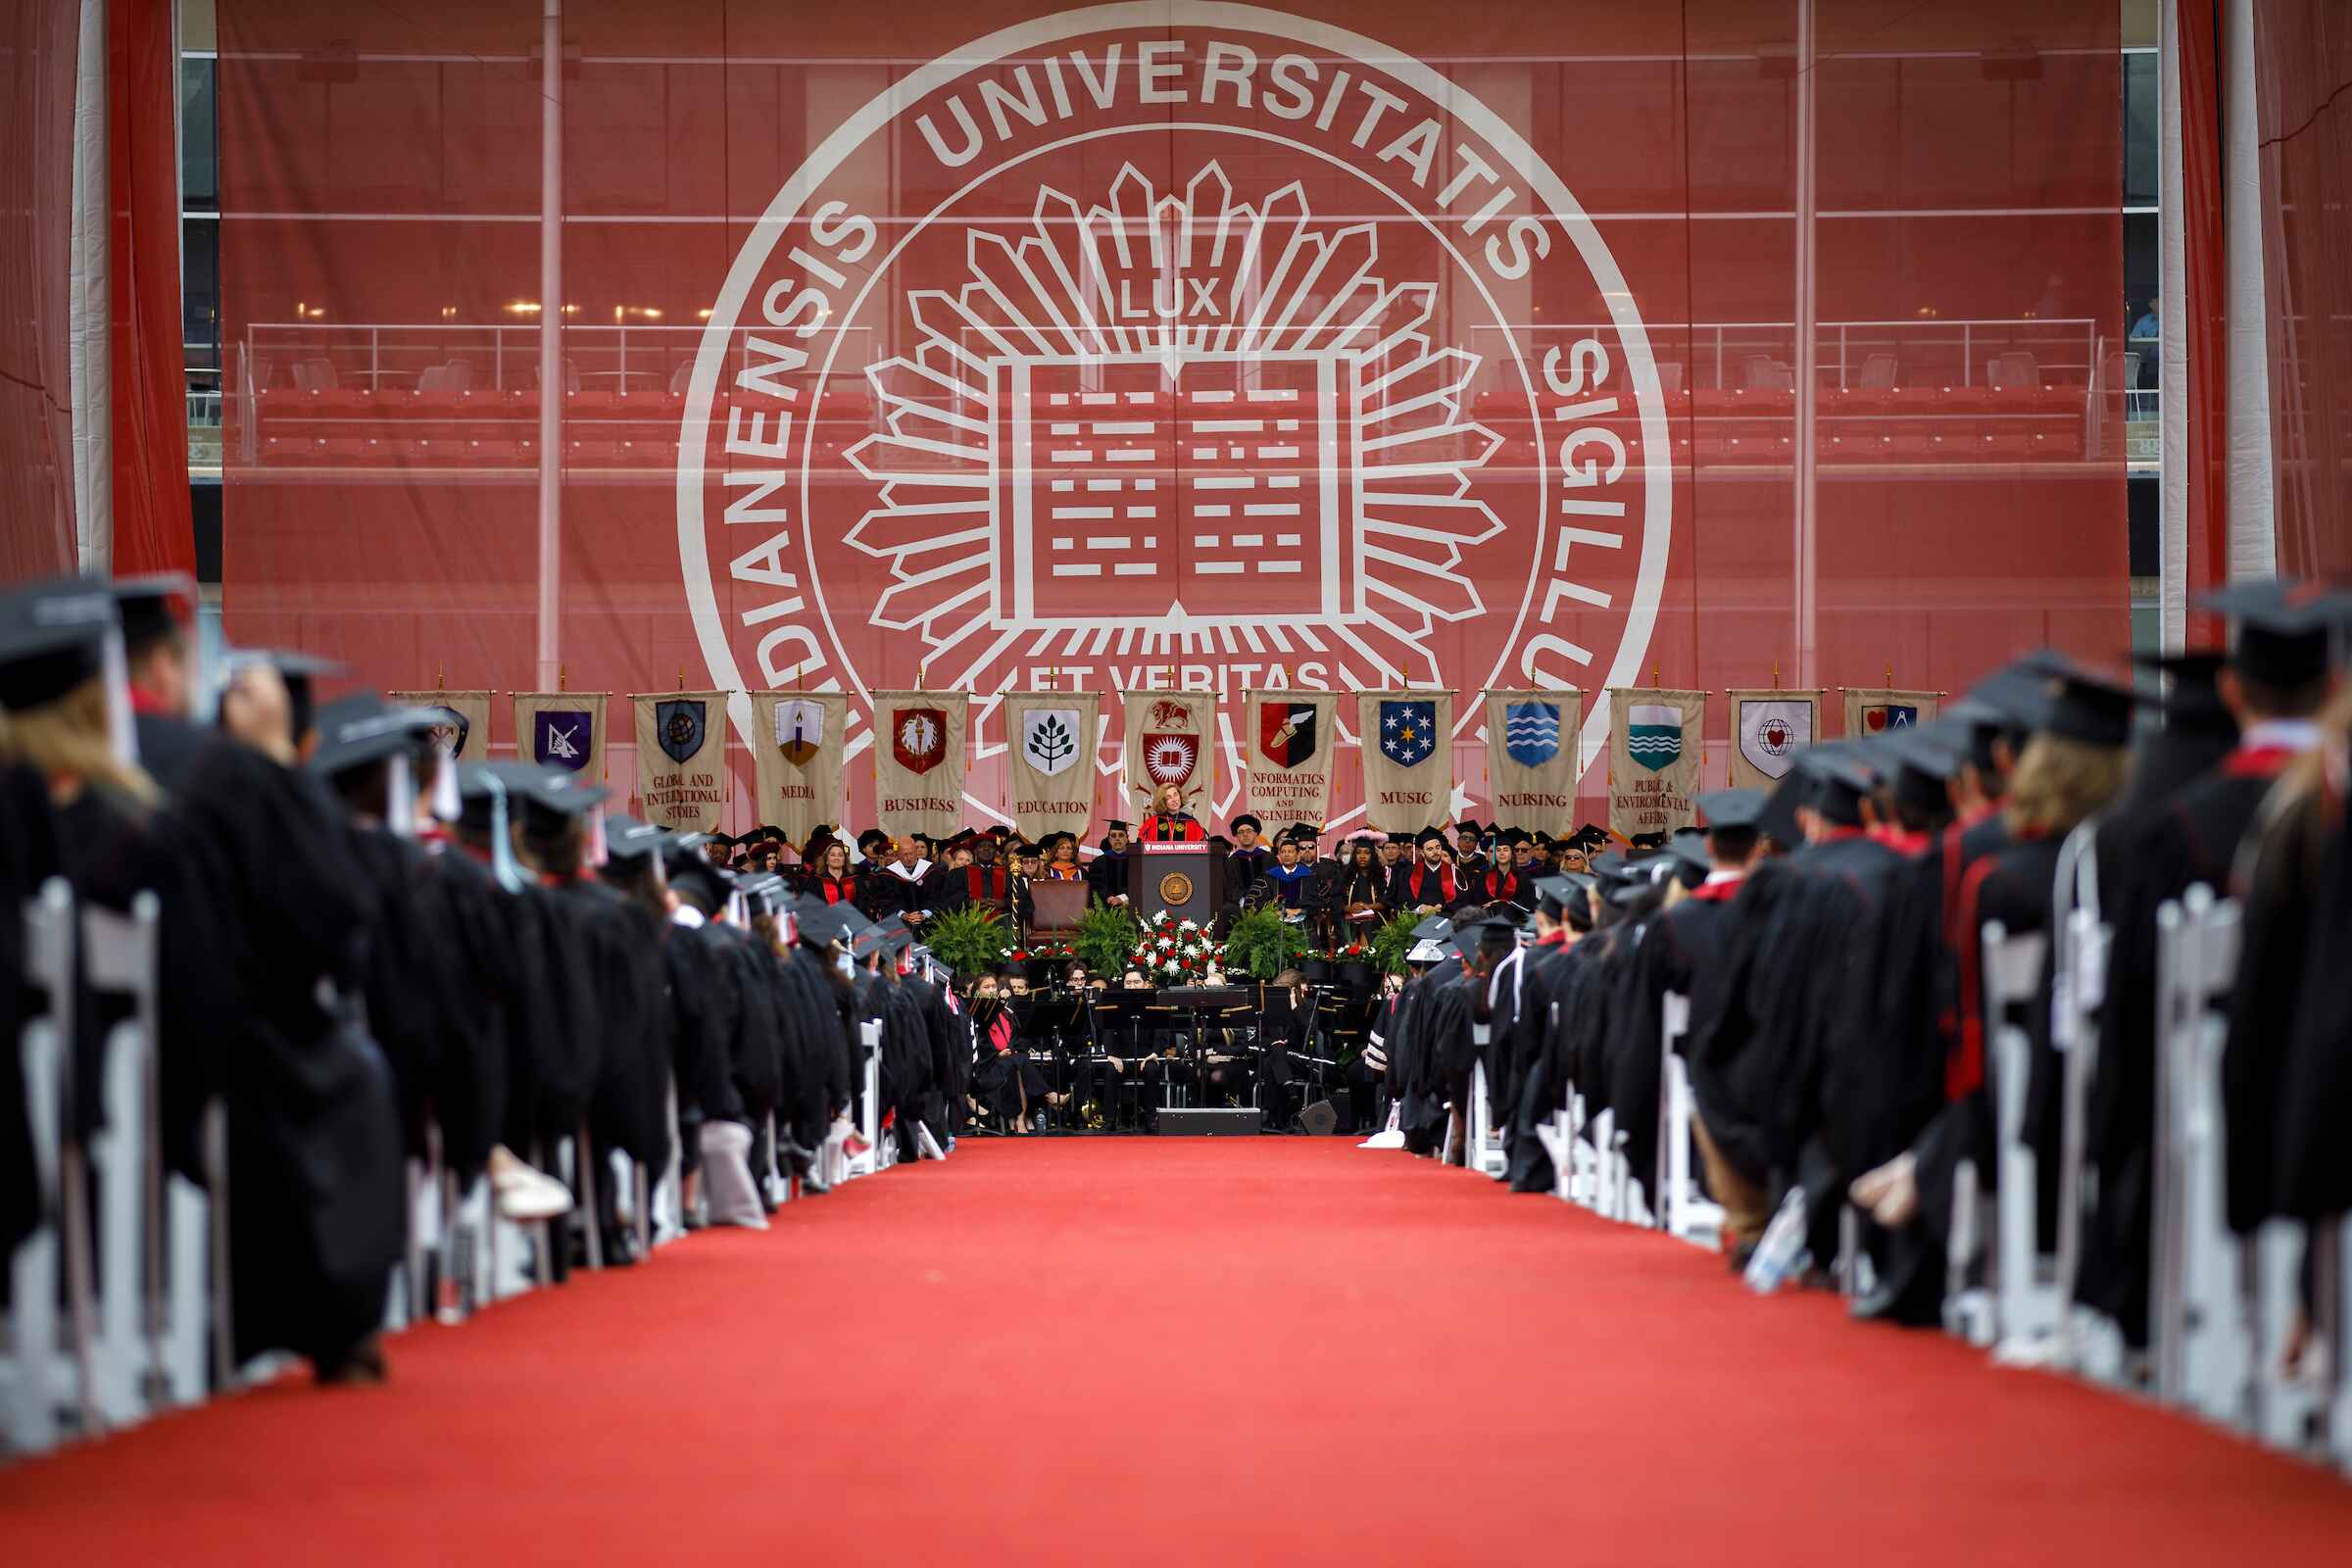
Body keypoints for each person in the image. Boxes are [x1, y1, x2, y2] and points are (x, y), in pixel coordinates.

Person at [1393, 826, 1463, 915]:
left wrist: (1440, 908)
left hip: (1446, 919)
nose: (1435, 852)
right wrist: (1420, 908)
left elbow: (1463, 900)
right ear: (1422, 853)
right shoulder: (1408, 873)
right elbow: (1403, 900)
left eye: (1438, 847)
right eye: (1430, 849)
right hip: (1418, 918)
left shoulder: (1454, 872)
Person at [1087, 819, 1134, 906]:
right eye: (1113, 835)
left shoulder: (1135, 862)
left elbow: (1137, 884)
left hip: (1130, 906)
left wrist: (1122, 898)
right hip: (1105, 906)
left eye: (1121, 835)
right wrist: (1108, 896)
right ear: (1109, 839)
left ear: (1127, 838)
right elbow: (1095, 884)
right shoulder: (1098, 863)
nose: (1117, 838)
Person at [1137, 781, 1204, 842]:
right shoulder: (1152, 824)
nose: (1174, 799)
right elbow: (1140, 848)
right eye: (1169, 797)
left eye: (1175, 795)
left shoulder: (1191, 823)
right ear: (1162, 801)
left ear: (1180, 796)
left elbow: (1202, 848)